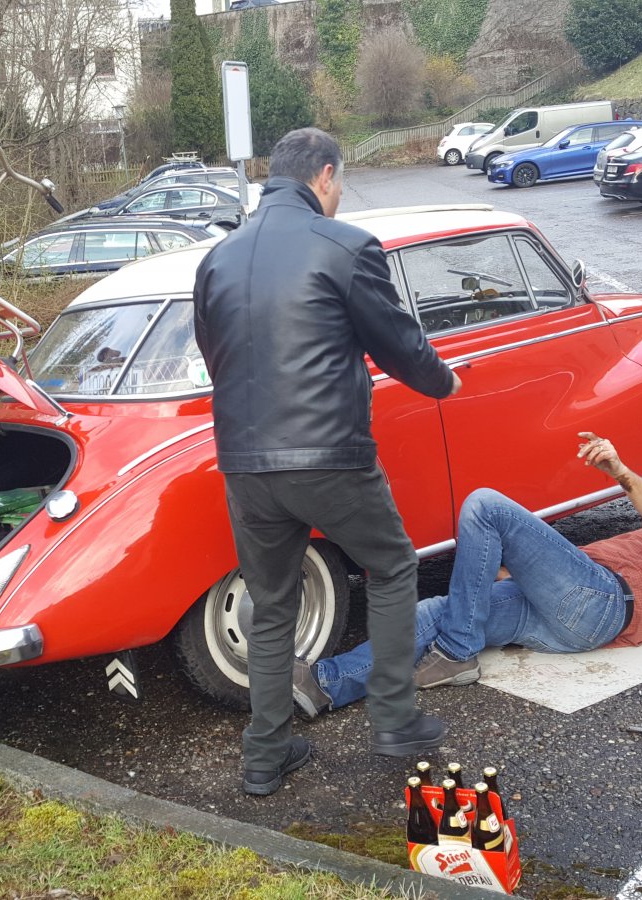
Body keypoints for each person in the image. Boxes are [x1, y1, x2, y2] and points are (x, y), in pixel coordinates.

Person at [192, 127, 463, 796]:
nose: (340, 195)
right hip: (329, 457)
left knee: (272, 603)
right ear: (323, 175)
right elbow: (399, 344)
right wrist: (444, 381)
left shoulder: (217, 259)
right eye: (340, 183)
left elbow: (215, 353)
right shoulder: (346, 247)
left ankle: (265, 754)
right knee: (392, 565)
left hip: (245, 464)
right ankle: (394, 718)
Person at [292, 433, 642, 716]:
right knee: (437, 611)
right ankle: (324, 685)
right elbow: (571, 561)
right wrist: (509, 571)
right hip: (566, 615)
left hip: (605, 605)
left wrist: (622, 473)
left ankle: (458, 651)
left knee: (486, 504)